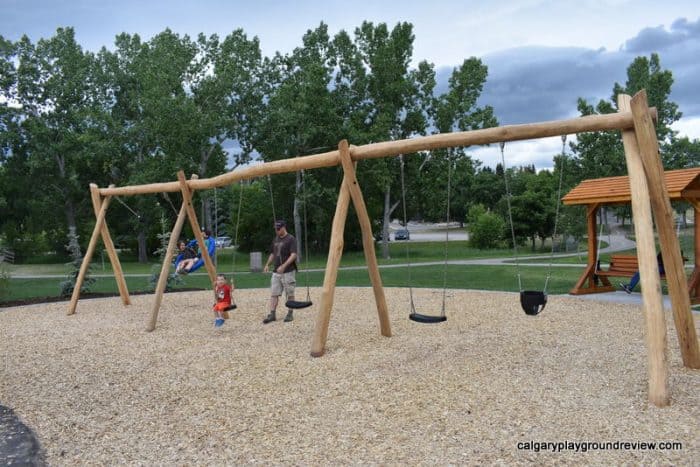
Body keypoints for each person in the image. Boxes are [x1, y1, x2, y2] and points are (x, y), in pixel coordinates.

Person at [262, 220, 298, 324]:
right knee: (274, 293)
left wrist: (284, 265)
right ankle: (272, 314)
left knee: (289, 293)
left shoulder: (291, 239)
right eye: (276, 229)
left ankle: (290, 313)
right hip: (276, 272)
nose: (277, 231)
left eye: (278, 229)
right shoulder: (275, 239)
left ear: (284, 227)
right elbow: (273, 254)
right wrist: (267, 264)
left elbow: (294, 255)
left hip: (288, 271)